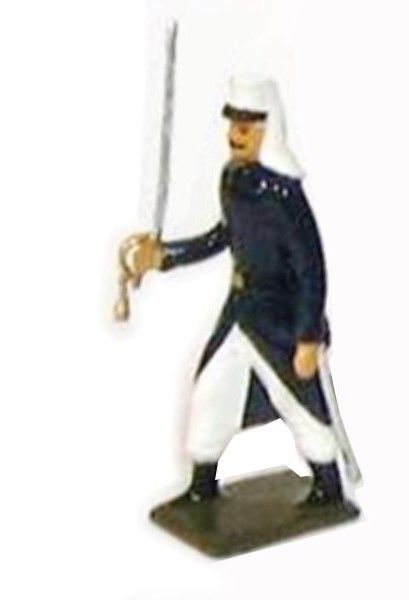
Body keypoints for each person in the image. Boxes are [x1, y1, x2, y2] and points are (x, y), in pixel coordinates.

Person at [122, 77, 357, 508]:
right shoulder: (234, 180)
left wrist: (307, 337)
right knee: (211, 392)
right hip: (240, 313)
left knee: (298, 403)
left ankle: (328, 485)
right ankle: (202, 485)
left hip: (281, 320)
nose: (236, 135)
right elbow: (223, 236)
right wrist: (165, 256)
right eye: (233, 125)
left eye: (247, 127)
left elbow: (311, 269)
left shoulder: (284, 195)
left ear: (268, 130)